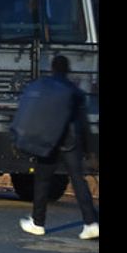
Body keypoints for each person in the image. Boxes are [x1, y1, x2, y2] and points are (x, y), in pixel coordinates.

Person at [19, 55, 99, 239]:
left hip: (49, 141)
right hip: (71, 141)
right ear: (67, 70)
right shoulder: (75, 90)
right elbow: (84, 123)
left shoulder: (44, 87)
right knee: (79, 181)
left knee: (42, 182)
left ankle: (38, 223)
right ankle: (91, 223)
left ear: (53, 69)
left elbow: (34, 113)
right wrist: (89, 151)